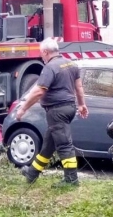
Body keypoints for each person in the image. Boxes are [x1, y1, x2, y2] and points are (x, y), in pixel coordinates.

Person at [16, 38, 88, 186]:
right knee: (49, 144)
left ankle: (71, 179)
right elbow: (79, 88)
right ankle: (32, 173)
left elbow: (38, 91)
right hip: (69, 108)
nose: (41, 56)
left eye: (41, 53)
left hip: (57, 111)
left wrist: (23, 108)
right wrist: (81, 105)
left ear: (45, 52)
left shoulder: (50, 67)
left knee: (64, 145)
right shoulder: (71, 64)